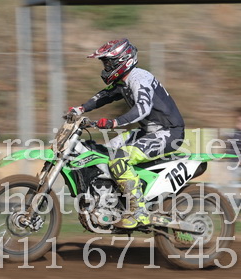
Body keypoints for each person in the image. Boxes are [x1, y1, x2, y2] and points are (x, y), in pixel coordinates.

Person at [67, 38, 185, 229]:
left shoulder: (139, 78)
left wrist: (115, 122)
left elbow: (143, 109)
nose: (105, 68)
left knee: (119, 159)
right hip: (148, 132)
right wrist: (81, 109)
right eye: (105, 64)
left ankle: (138, 212)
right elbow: (105, 95)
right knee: (104, 153)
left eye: (108, 63)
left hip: (168, 133)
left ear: (122, 61)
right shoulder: (123, 81)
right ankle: (112, 203)